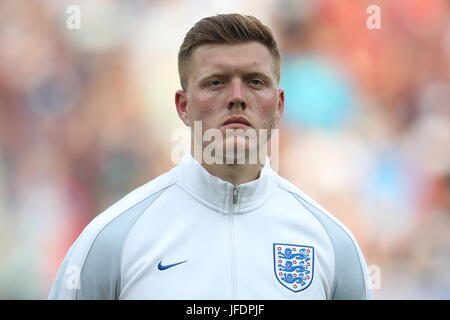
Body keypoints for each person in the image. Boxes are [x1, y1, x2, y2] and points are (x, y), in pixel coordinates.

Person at [48, 13, 371, 300]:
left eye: (255, 82)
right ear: (183, 106)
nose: (236, 98)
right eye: (216, 83)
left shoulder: (331, 244)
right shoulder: (112, 240)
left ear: (279, 105)